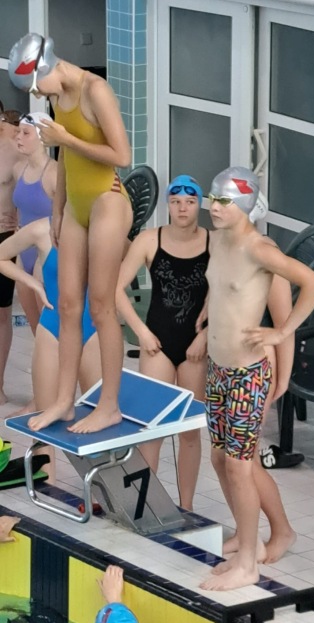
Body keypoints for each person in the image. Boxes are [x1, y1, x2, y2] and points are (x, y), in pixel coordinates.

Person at [200, 166, 314, 591]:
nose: (214, 207)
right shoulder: (218, 239)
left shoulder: (260, 249)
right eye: (212, 199)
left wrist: (281, 333)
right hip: (218, 369)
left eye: (223, 201)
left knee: (240, 467)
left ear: (245, 206)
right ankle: (249, 537)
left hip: (247, 375)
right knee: (221, 460)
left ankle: (248, 565)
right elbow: (222, 290)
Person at [9, 32, 133, 434]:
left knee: (101, 307)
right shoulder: (57, 97)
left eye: (35, 85)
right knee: (66, 305)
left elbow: (122, 155)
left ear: (47, 67)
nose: (36, 94)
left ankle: (109, 405)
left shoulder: (95, 91)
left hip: (107, 203)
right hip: (76, 207)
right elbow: (65, 158)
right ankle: (64, 401)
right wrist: (59, 209)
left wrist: (66, 137)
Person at [116, 175, 209, 511]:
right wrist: (141, 332)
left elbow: (227, 292)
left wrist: (205, 335)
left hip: (195, 348)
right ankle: (144, 506)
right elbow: (116, 289)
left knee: (189, 433)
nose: (183, 208)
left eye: (190, 202)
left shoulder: (214, 244)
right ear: (168, 205)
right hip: (157, 342)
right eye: (176, 202)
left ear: (199, 205)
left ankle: (187, 507)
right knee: (151, 428)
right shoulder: (148, 240)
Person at [0, 218, 101, 481]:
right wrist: (33, 284)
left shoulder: (100, 227)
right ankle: (47, 486)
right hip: (52, 327)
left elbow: (128, 261)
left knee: (98, 417)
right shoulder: (40, 230)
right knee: (43, 419)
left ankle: (103, 487)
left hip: (91, 329)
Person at [12, 112, 57, 334]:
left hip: (46, 252)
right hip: (24, 252)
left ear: (42, 137)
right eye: (18, 132)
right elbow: (21, 207)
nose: (18, 137)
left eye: (25, 133)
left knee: (49, 327)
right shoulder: (18, 169)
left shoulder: (55, 173)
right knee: (34, 328)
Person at [0, 104, 25, 405]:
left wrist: (22, 220)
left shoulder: (16, 141)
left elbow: (38, 181)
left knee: (1, 313)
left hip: (4, 236)